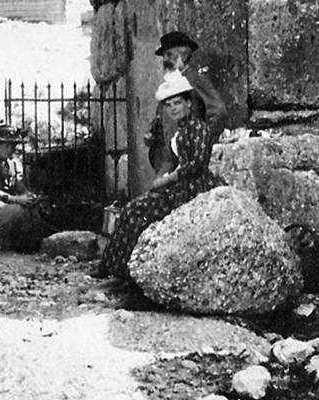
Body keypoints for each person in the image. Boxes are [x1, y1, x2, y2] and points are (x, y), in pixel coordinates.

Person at [96, 69, 216, 283]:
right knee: (131, 210)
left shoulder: (199, 128)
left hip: (193, 191)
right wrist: (159, 180)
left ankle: (116, 269)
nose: (173, 109)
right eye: (169, 105)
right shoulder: (180, 132)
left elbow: (195, 165)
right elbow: (170, 162)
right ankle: (114, 267)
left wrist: (166, 181)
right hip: (179, 187)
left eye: (177, 103)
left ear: (189, 104)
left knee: (134, 211)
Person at [145, 29, 227, 168]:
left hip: (186, 160)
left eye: (169, 55)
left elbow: (219, 111)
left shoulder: (195, 80)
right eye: (164, 56)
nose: (165, 60)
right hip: (168, 160)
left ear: (183, 56)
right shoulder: (171, 81)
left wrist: (200, 142)